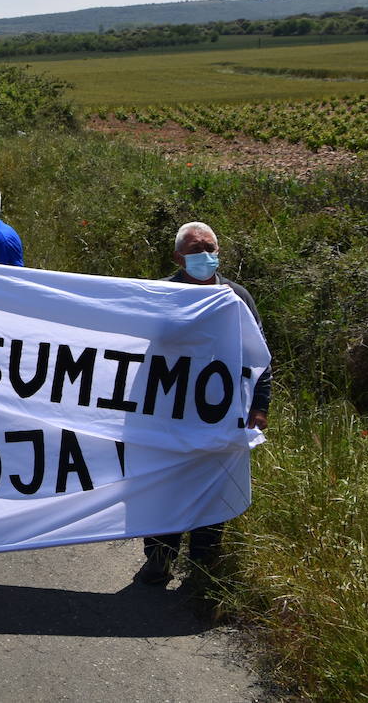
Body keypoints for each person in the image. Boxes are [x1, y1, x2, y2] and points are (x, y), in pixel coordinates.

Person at [137, 221, 272, 586]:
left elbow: (259, 355)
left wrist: (260, 406)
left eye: (211, 249)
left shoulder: (236, 297)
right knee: (164, 488)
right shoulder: (160, 295)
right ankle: (159, 560)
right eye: (197, 250)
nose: (206, 257)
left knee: (212, 488)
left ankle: (202, 567)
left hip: (221, 417)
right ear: (178, 257)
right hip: (169, 415)